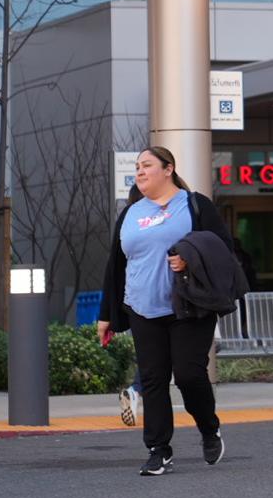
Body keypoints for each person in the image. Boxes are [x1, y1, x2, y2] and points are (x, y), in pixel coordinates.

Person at [97, 146, 235, 474]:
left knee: (188, 375)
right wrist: (107, 315)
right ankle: (158, 450)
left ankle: (209, 427)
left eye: (147, 165)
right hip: (142, 307)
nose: (140, 171)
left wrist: (191, 258)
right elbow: (115, 267)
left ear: (168, 169)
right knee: (153, 380)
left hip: (189, 306)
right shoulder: (130, 214)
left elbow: (224, 250)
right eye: (137, 166)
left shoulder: (194, 205)